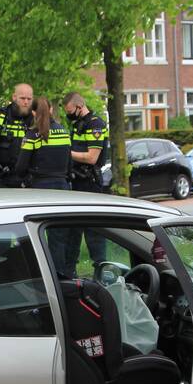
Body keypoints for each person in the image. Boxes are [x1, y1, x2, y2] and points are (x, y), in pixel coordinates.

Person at [16, 97, 72, 271]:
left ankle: (42, 274)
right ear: (51, 110)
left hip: (40, 190)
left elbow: (20, 168)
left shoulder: (32, 135)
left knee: (37, 235)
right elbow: (69, 165)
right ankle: (61, 274)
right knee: (59, 237)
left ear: (33, 112)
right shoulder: (63, 132)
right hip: (62, 188)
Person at [63, 92, 109, 275]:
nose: (69, 114)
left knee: (94, 232)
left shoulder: (95, 124)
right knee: (72, 233)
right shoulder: (79, 124)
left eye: (70, 111)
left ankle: (102, 272)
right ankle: (68, 273)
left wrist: (65, 152)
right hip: (77, 183)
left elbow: (92, 157)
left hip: (90, 184)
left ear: (79, 107)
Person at [0, 83, 34, 188]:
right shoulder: (0, 116)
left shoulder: (35, 119)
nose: (26, 102)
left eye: (29, 99)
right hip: (3, 178)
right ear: (14, 97)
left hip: (28, 179)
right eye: (23, 98)